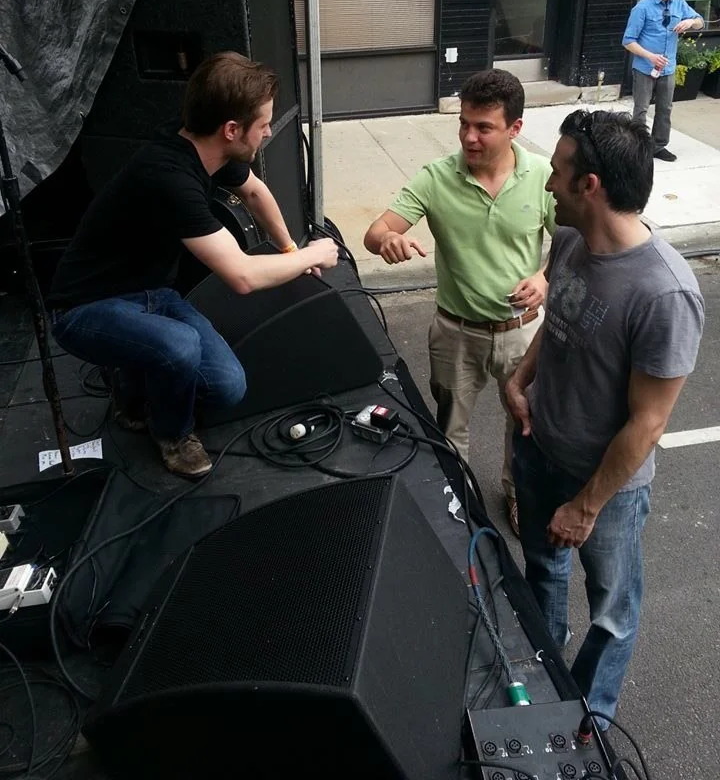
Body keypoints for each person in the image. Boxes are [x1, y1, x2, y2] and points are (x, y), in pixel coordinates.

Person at [47, 52, 338, 478]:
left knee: (227, 386)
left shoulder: (204, 145)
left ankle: (134, 385)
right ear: (232, 130)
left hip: (153, 295)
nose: (268, 132)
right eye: (263, 125)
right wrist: (316, 253)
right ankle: (173, 435)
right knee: (179, 347)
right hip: (83, 309)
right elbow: (241, 276)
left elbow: (255, 193)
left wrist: (292, 250)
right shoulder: (169, 176)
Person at [505, 109, 704, 724]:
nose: (547, 184)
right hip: (539, 453)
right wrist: (521, 378)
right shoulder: (568, 240)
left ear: (589, 186)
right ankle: (544, 672)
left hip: (606, 491)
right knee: (541, 568)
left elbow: (648, 423)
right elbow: (558, 326)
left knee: (612, 610)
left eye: (558, 173)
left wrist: (586, 506)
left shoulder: (664, 293)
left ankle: (587, 717)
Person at [364, 69, 555, 535]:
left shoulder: (543, 177)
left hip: (523, 331)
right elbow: (375, 233)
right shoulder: (435, 178)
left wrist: (545, 278)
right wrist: (388, 240)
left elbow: (574, 245)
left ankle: (515, 494)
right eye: (465, 124)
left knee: (525, 424)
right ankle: (461, 505)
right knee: (451, 427)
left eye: (483, 127)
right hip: (456, 332)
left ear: (515, 128)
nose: (469, 137)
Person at [622, 0, 704, 163]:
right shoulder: (642, 8)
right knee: (641, 108)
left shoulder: (679, 3)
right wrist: (650, 56)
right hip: (645, 66)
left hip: (668, 67)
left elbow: (700, 21)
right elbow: (628, 41)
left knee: (665, 107)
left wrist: (690, 23)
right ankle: (638, 147)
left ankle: (658, 145)